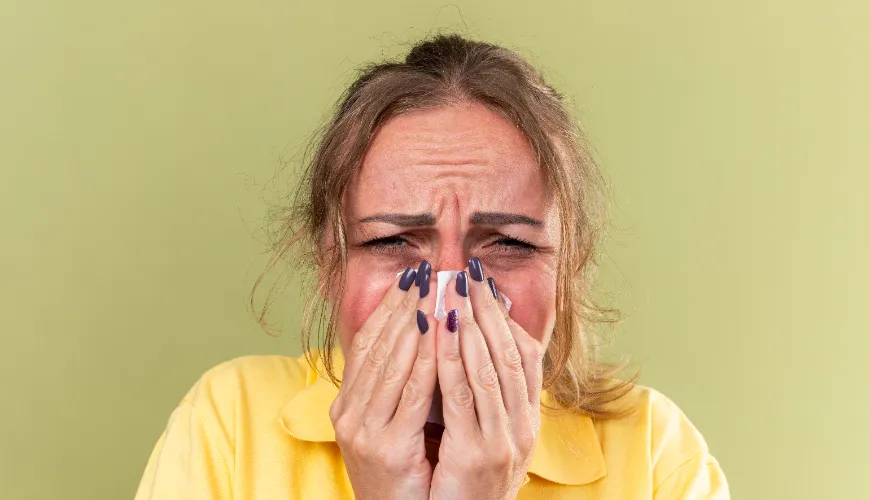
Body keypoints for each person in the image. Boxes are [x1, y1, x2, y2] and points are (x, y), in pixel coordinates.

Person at [134, 33, 729, 499]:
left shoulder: (653, 454)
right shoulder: (231, 423)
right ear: (329, 263)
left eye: (509, 245)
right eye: (393, 242)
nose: (448, 303)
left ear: (565, 270)